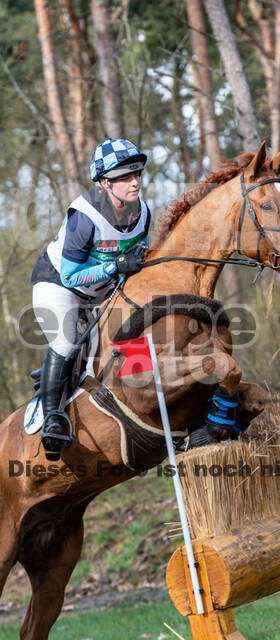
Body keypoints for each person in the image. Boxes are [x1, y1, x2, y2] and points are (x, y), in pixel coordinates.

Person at [31, 138, 151, 460]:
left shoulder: (143, 214)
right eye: (125, 176)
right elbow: (71, 276)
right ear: (103, 183)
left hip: (102, 291)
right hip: (58, 286)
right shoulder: (84, 216)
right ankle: (53, 417)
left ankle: (153, 409)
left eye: (136, 173)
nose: (135, 181)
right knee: (67, 340)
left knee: (136, 332)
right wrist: (115, 265)